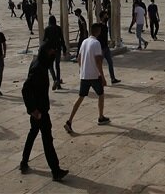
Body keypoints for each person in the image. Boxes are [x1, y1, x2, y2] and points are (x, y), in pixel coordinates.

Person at [20, 41, 69, 181]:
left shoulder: (40, 63)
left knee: (33, 134)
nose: (53, 54)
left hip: (41, 109)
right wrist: (33, 110)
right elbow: (25, 89)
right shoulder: (38, 68)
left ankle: (24, 162)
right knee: (47, 140)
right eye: (52, 51)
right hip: (39, 111)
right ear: (45, 52)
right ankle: (55, 170)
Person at [63, 23, 110, 134]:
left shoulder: (84, 41)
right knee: (101, 94)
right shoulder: (96, 43)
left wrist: (82, 69)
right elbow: (98, 61)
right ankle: (101, 116)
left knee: (80, 97)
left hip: (84, 75)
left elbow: (79, 58)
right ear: (98, 32)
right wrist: (102, 76)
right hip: (94, 75)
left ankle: (69, 121)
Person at [43, 15, 67, 90]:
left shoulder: (47, 29)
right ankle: (58, 84)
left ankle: (55, 80)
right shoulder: (58, 28)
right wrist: (64, 49)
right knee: (57, 66)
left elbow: (44, 40)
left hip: (50, 50)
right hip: (58, 49)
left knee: (50, 66)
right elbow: (62, 39)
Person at [98, 10, 120, 84]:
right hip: (101, 48)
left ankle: (113, 78)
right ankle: (99, 79)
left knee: (110, 63)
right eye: (105, 15)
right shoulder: (100, 26)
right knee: (99, 64)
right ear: (102, 17)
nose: (107, 16)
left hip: (106, 47)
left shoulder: (105, 25)